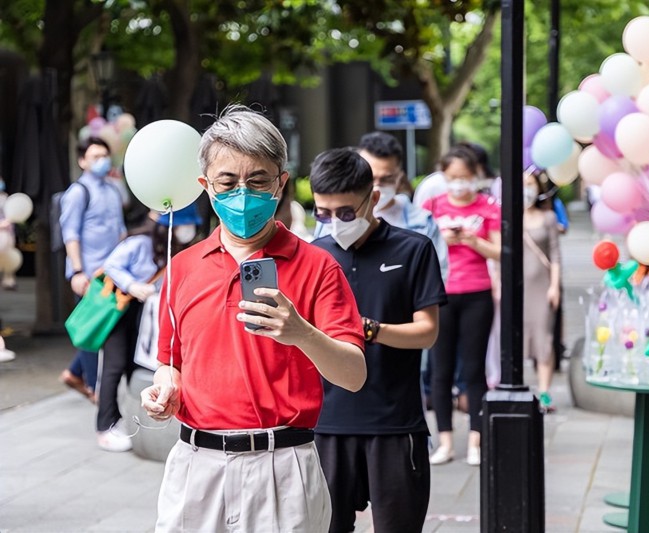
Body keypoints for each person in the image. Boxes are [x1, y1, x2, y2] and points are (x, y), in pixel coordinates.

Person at [140, 105, 366, 533]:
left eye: (258, 180)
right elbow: (171, 362)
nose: (242, 193)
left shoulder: (319, 267)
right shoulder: (183, 267)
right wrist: (164, 387)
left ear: (281, 183)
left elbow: (353, 375)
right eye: (227, 182)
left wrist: (301, 333)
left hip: (284, 466)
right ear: (206, 186)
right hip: (196, 466)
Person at [309, 148, 447, 533]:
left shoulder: (413, 248)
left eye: (346, 212)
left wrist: (369, 329)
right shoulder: (314, 256)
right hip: (326, 425)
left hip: (395, 424)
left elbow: (428, 332)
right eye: (323, 213)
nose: (335, 222)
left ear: (373, 199)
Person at [95, 206, 199, 452]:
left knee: (132, 364)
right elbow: (111, 265)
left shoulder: (175, 248)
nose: (188, 230)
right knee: (114, 366)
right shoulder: (141, 242)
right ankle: (105, 425)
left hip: (143, 313)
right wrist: (133, 285)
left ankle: (122, 419)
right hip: (120, 309)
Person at [423, 145, 501, 466]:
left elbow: (499, 252)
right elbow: (420, 246)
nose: (459, 184)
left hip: (477, 293)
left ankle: (475, 440)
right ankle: (444, 441)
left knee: (473, 370)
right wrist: (442, 237)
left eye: (465, 178)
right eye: (453, 177)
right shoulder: (431, 206)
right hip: (441, 295)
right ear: (443, 176)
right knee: (440, 370)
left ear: (476, 177)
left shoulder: (489, 207)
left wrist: (472, 241)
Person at [316, 131, 448, 280]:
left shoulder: (422, 223)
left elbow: (435, 279)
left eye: (387, 179)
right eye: (370, 177)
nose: (377, 185)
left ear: (399, 176)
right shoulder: (330, 219)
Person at [59, 137, 126, 402]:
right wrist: (77, 271)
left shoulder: (112, 190)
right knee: (90, 329)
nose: (101, 161)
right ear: (82, 161)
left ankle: (74, 373)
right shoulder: (78, 192)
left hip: (111, 273)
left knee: (103, 325)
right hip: (88, 275)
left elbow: (119, 232)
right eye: (95, 156)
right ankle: (94, 389)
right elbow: (70, 235)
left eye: (104, 156)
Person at [521, 169, 562, 412]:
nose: (527, 189)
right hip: (519, 288)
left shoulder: (548, 218)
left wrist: (555, 285)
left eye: (530, 184)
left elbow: (556, 255)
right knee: (520, 340)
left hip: (543, 285)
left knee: (544, 340)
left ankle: (545, 392)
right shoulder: (509, 217)